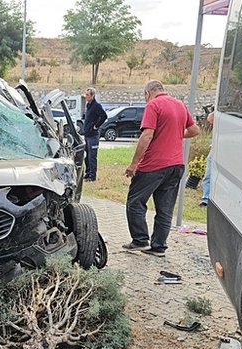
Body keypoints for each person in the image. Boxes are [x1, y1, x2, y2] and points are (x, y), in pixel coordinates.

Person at [123, 80, 200, 257]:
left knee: (135, 202)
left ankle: (140, 240)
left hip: (153, 165)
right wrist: (177, 135)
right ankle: (158, 247)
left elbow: (147, 134)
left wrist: (134, 164)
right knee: (165, 209)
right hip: (176, 165)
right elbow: (195, 130)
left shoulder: (153, 105)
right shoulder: (179, 104)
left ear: (147, 93)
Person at [81, 87, 107, 181]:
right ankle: (88, 173)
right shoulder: (88, 105)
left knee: (92, 156)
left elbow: (104, 115)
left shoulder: (96, 105)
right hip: (87, 134)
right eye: (86, 94)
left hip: (93, 135)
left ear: (92, 96)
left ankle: (93, 176)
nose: (86, 97)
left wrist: (96, 126)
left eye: (88, 95)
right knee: (86, 155)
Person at [200, 111, 215, 207]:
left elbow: (211, 117)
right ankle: (205, 199)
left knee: (209, 176)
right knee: (208, 175)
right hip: (214, 148)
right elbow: (210, 117)